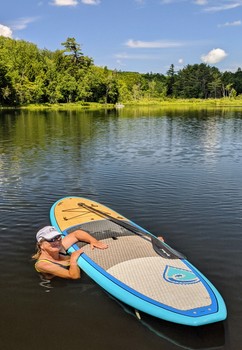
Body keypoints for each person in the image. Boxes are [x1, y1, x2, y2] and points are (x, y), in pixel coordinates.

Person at [32, 226, 108, 280]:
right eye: (51, 239)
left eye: (58, 237)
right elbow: (74, 276)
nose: (57, 241)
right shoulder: (43, 265)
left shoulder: (59, 247)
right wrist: (73, 260)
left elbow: (76, 234)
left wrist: (94, 241)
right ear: (41, 245)